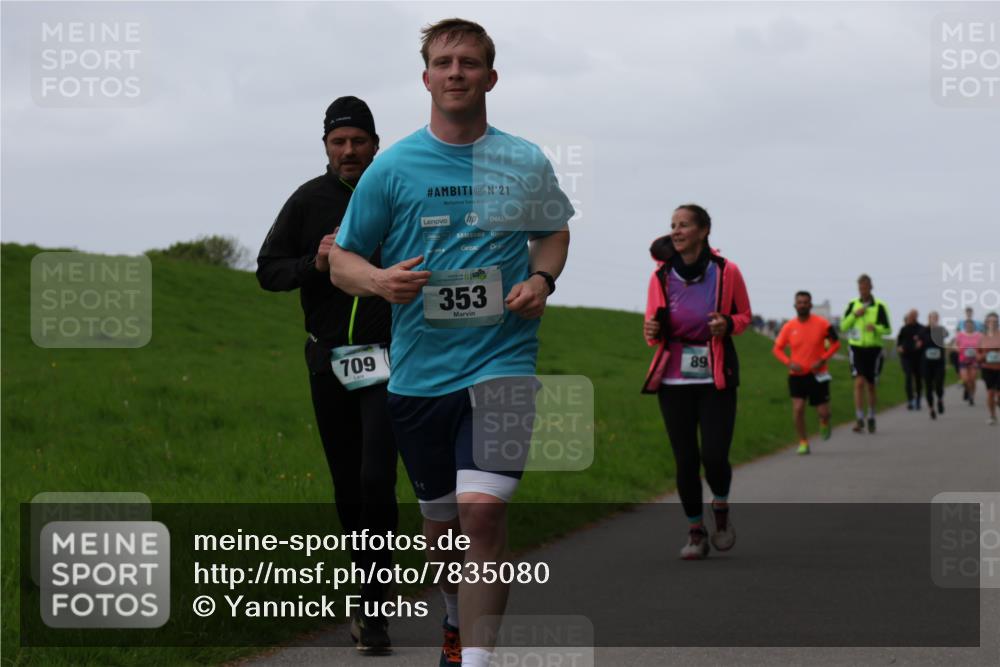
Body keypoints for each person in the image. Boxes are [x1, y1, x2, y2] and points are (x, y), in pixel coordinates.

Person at [330, 18, 573, 667]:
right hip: (418, 376)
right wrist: (379, 280)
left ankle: (477, 660)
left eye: (469, 62)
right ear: (427, 77)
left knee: (482, 513)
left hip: (504, 360)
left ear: (490, 77)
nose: (457, 72)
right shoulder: (394, 168)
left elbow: (553, 232)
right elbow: (342, 261)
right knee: (442, 531)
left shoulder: (522, 160)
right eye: (445, 62)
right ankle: (450, 620)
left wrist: (542, 278)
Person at [256, 96, 397, 654]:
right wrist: (313, 265)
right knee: (347, 486)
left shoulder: (395, 193)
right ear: (326, 148)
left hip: (391, 358)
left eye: (358, 140)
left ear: (374, 145)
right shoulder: (308, 200)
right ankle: (366, 591)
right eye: (338, 142)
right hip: (330, 360)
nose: (348, 151)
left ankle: (377, 609)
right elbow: (267, 270)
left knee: (374, 477)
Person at [642, 204, 752, 560]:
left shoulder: (727, 271)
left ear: (704, 231)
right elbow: (651, 326)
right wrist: (651, 329)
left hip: (715, 374)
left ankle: (720, 510)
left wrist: (728, 325)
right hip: (674, 376)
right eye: (673, 225)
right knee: (685, 459)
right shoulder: (660, 276)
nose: (676, 230)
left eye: (684, 225)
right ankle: (695, 530)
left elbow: (744, 315)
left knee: (715, 455)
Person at [772, 291, 840, 454]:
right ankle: (803, 442)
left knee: (824, 412)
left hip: (818, 374)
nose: (802, 305)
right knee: (798, 408)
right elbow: (777, 349)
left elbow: (835, 344)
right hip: (797, 375)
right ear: (795, 306)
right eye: (799, 302)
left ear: (810, 305)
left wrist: (823, 359)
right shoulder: (789, 326)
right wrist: (789, 362)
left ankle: (824, 422)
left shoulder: (823, 324)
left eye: (805, 302)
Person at [840, 274, 891, 434]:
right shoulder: (852, 305)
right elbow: (843, 326)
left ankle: (871, 416)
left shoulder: (879, 306)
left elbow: (888, 329)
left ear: (871, 287)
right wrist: (855, 315)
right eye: (860, 288)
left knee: (871, 385)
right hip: (856, 348)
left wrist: (875, 328)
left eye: (866, 287)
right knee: (858, 382)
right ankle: (859, 418)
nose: (863, 291)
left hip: (874, 349)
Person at [920, 311, 949, 420]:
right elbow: (920, 341)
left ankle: (940, 400)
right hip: (926, 363)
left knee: (939, 383)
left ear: (938, 319)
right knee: (928, 386)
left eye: (936, 317)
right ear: (928, 318)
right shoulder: (923, 330)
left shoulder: (940, 329)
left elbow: (946, 334)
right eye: (932, 317)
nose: (934, 319)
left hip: (939, 362)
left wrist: (936, 327)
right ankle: (931, 409)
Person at [896, 309, 925, 411]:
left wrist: (921, 343)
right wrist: (899, 347)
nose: (911, 317)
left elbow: (925, 340)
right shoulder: (904, 328)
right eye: (910, 316)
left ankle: (918, 400)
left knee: (917, 378)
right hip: (906, 356)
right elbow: (899, 341)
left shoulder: (921, 328)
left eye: (913, 316)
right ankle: (910, 400)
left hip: (918, 357)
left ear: (916, 316)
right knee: (908, 376)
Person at [956, 307, 984, 401]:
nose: (969, 327)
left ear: (973, 326)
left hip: (974, 360)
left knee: (972, 379)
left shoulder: (979, 335)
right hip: (963, 359)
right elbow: (956, 344)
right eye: (967, 325)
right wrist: (958, 349)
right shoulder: (960, 334)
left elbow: (982, 346)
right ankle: (967, 390)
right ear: (965, 326)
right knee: (966, 379)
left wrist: (980, 353)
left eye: (970, 325)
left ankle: (972, 395)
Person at [978, 312, 1000, 425]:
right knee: (990, 393)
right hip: (987, 369)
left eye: (995, 321)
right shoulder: (982, 338)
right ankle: (992, 416)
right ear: (986, 323)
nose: (992, 323)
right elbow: (978, 356)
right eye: (990, 321)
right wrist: (984, 355)